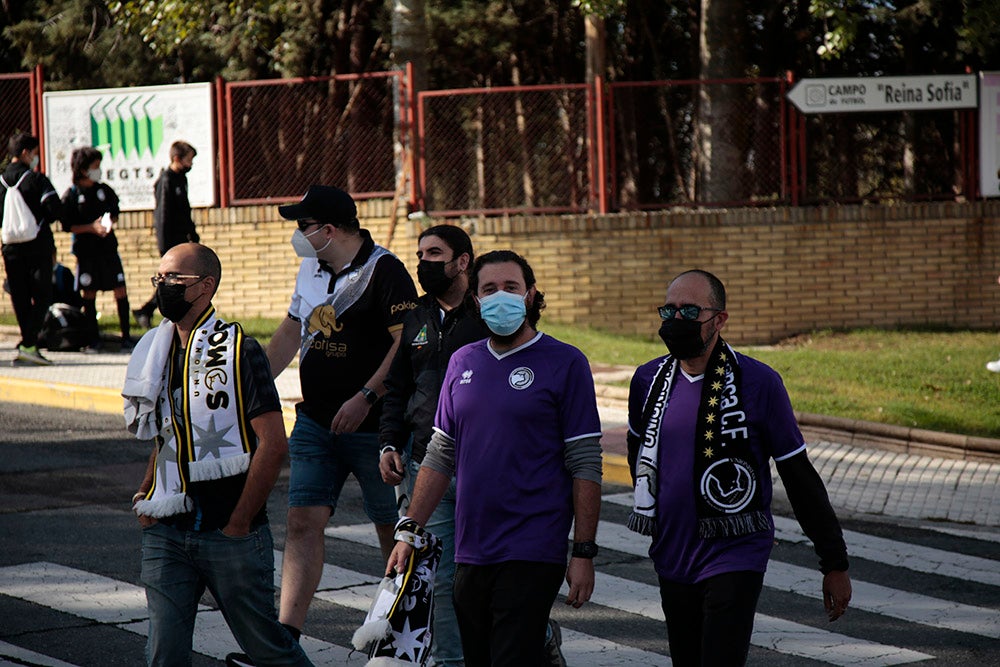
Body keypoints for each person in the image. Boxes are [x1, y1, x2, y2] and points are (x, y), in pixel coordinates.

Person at [386, 250, 603, 667]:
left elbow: (585, 462)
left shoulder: (565, 362)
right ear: (476, 299)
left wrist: (583, 552)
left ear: (531, 295)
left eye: (511, 287)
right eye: (489, 289)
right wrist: (409, 530)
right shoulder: (463, 361)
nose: (500, 296)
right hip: (472, 547)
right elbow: (439, 454)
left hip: (533, 547)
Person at [626, 269, 853, 666]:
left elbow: (798, 475)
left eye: (690, 310)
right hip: (672, 552)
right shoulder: (647, 380)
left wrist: (833, 562)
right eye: (670, 310)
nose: (677, 320)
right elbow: (638, 458)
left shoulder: (759, 382)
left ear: (720, 318)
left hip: (735, 551)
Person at [123, 243, 312, 667]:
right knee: (163, 654)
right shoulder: (155, 350)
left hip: (229, 532)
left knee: (270, 651)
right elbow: (167, 434)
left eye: (174, 279)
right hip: (166, 530)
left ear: (205, 287)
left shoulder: (239, 349)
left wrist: (239, 521)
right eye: (159, 279)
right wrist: (144, 495)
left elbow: (274, 444)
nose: (162, 287)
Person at [266, 185, 418, 639]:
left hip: (377, 430)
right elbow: (291, 331)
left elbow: (404, 344)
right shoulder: (310, 268)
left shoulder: (384, 271)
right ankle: (285, 639)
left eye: (304, 227)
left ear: (329, 230)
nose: (298, 235)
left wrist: (367, 396)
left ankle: (404, 631)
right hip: (314, 422)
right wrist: (250, 387)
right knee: (301, 522)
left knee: (392, 532)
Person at [378, 224, 490, 667]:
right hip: (427, 463)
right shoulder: (416, 317)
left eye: (435, 254)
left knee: (490, 573)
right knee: (439, 579)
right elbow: (398, 386)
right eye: (420, 254)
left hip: (485, 465)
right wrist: (389, 443)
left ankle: (534, 638)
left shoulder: (488, 316)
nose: (424, 263)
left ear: (462, 261)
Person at [60, 146, 135, 351]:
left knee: (120, 289)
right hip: (87, 253)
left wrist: (108, 222)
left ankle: (126, 337)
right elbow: (67, 225)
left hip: (108, 250)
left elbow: (114, 211)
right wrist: (90, 228)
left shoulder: (104, 190)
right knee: (89, 293)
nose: (98, 170)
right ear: (83, 169)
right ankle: (93, 340)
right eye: (95, 167)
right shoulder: (73, 195)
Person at [1, 132, 62, 365]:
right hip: (38, 248)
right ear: (26, 153)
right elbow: (54, 211)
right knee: (43, 294)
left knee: (20, 296)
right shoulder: (36, 180)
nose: (36, 158)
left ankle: (28, 343)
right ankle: (29, 343)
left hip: (10, 249)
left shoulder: (1, 181)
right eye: (35, 153)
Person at [133, 141, 198, 327]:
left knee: (178, 279)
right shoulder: (166, 180)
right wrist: (164, 245)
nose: (190, 165)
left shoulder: (181, 179)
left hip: (182, 239)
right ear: (177, 159)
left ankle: (147, 310)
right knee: (172, 280)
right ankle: (149, 310)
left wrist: (192, 234)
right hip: (171, 240)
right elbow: (162, 215)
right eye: (188, 160)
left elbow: (185, 211)